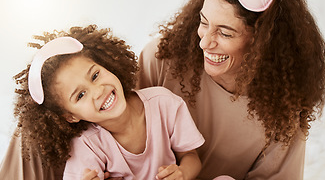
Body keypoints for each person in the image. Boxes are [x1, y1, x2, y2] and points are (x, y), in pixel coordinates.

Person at [137, 0, 325, 179]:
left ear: (262, 43)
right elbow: (110, 133)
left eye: (225, 33)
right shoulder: (162, 59)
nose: (205, 43)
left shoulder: (283, 109)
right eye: (203, 22)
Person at [3, 25, 206, 180]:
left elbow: (191, 157)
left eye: (95, 75)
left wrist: (182, 174)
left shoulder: (164, 104)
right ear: (71, 116)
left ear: (108, 65)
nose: (98, 91)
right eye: (80, 96)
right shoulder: (87, 144)